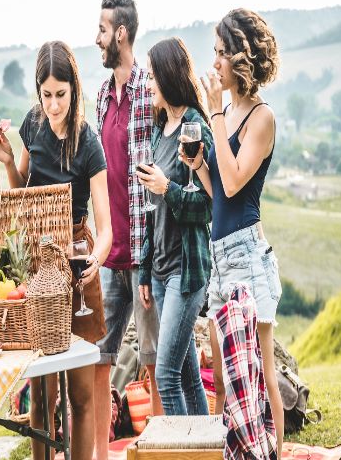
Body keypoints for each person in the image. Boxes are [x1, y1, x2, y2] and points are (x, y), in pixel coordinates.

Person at [0, 41, 112, 460]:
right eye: (47, 95)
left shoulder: (88, 142)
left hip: (76, 256)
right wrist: (8, 161)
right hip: (36, 265)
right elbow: (21, 195)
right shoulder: (33, 125)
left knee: (79, 395)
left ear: (74, 89)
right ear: (38, 92)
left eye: (62, 94)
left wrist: (95, 260)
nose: (54, 105)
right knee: (41, 397)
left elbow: (105, 225)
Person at [182, 8, 283, 449]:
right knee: (224, 379)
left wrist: (215, 115)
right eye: (215, 52)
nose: (215, 62)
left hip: (246, 252)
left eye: (222, 53)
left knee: (260, 374)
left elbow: (239, 178)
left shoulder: (261, 117)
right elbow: (220, 186)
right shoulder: (229, 111)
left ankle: (273, 452)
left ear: (243, 58)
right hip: (221, 253)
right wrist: (199, 164)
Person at [94, 0, 163, 453]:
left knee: (155, 360)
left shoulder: (147, 90)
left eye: (101, 29)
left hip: (142, 256)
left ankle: (161, 447)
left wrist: (148, 261)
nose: (96, 37)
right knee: (100, 358)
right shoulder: (101, 96)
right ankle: (99, 448)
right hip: (107, 253)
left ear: (121, 33)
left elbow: (155, 185)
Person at [136, 38, 212, 416]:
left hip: (187, 271)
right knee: (186, 377)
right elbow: (153, 209)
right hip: (163, 272)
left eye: (152, 76)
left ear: (167, 76)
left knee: (165, 377)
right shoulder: (160, 128)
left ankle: (186, 453)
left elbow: (209, 204)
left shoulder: (195, 128)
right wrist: (146, 269)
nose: (149, 84)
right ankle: (208, 452)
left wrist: (169, 188)